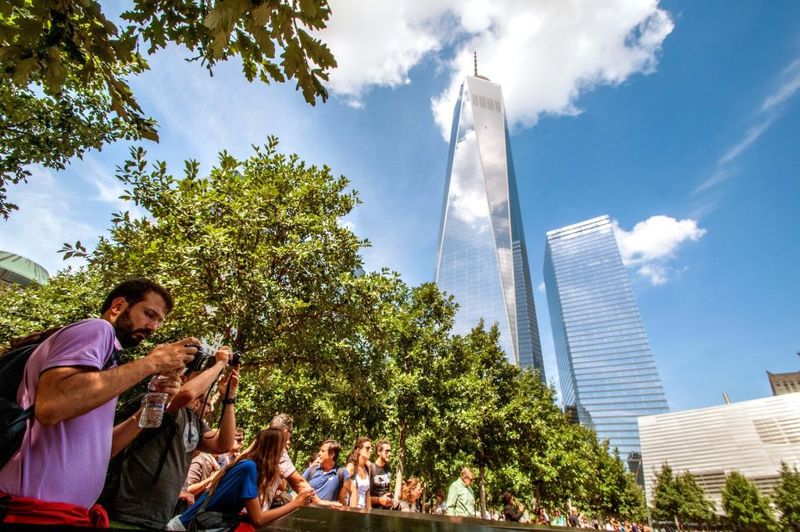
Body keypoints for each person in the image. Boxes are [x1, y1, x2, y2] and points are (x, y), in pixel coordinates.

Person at [0, 279, 196, 526]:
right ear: (118, 306)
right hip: (32, 512)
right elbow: (52, 406)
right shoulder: (97, 330)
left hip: (64, 514)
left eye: (159, 321)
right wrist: (151, 363)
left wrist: (149, 407)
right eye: (149, 314)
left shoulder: (106, 369)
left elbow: (102, 449)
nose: (153, 327)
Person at [103, 350, 240, 529]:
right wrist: (220, 364)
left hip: (158, 519)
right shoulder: (157, 401)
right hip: (124, 515)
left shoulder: (193, 420)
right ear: (183, 379)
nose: (207, 382)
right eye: (201, 374)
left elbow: (223, 444)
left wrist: (229, 398)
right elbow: (186, 394)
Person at [170, 428, 314, 530]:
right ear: (275, 451)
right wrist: (296, 503)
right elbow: (258, 519)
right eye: (283, 449)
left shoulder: (248, 466)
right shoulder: (248, 468)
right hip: (186, 526)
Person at [301, 440, 348, 505]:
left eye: (322, 451)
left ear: (331, 454)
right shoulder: (312, 469)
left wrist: (351, 513)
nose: (319, 454)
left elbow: (353, 491)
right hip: (307, 512)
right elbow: (299, 487)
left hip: (328, 514)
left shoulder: (341, 472)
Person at [369, 439, 394, 509]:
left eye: (390, 451)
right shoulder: (371, 469)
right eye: (387, 451)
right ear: (379, 452)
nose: (390, 454)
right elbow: (363, 496)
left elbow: (386, 491)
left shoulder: (388, 468)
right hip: (373, 512)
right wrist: (379, 500)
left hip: (386, 512)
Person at [347, 437, 372, 509]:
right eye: (367, 448)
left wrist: (369, 513)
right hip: (352, 512)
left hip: (363, 512)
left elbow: (367, 494)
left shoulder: (367, 469)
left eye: (371, 448)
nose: (371, 450)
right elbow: (343, 494)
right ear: (359, 450)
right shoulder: (351, 467)